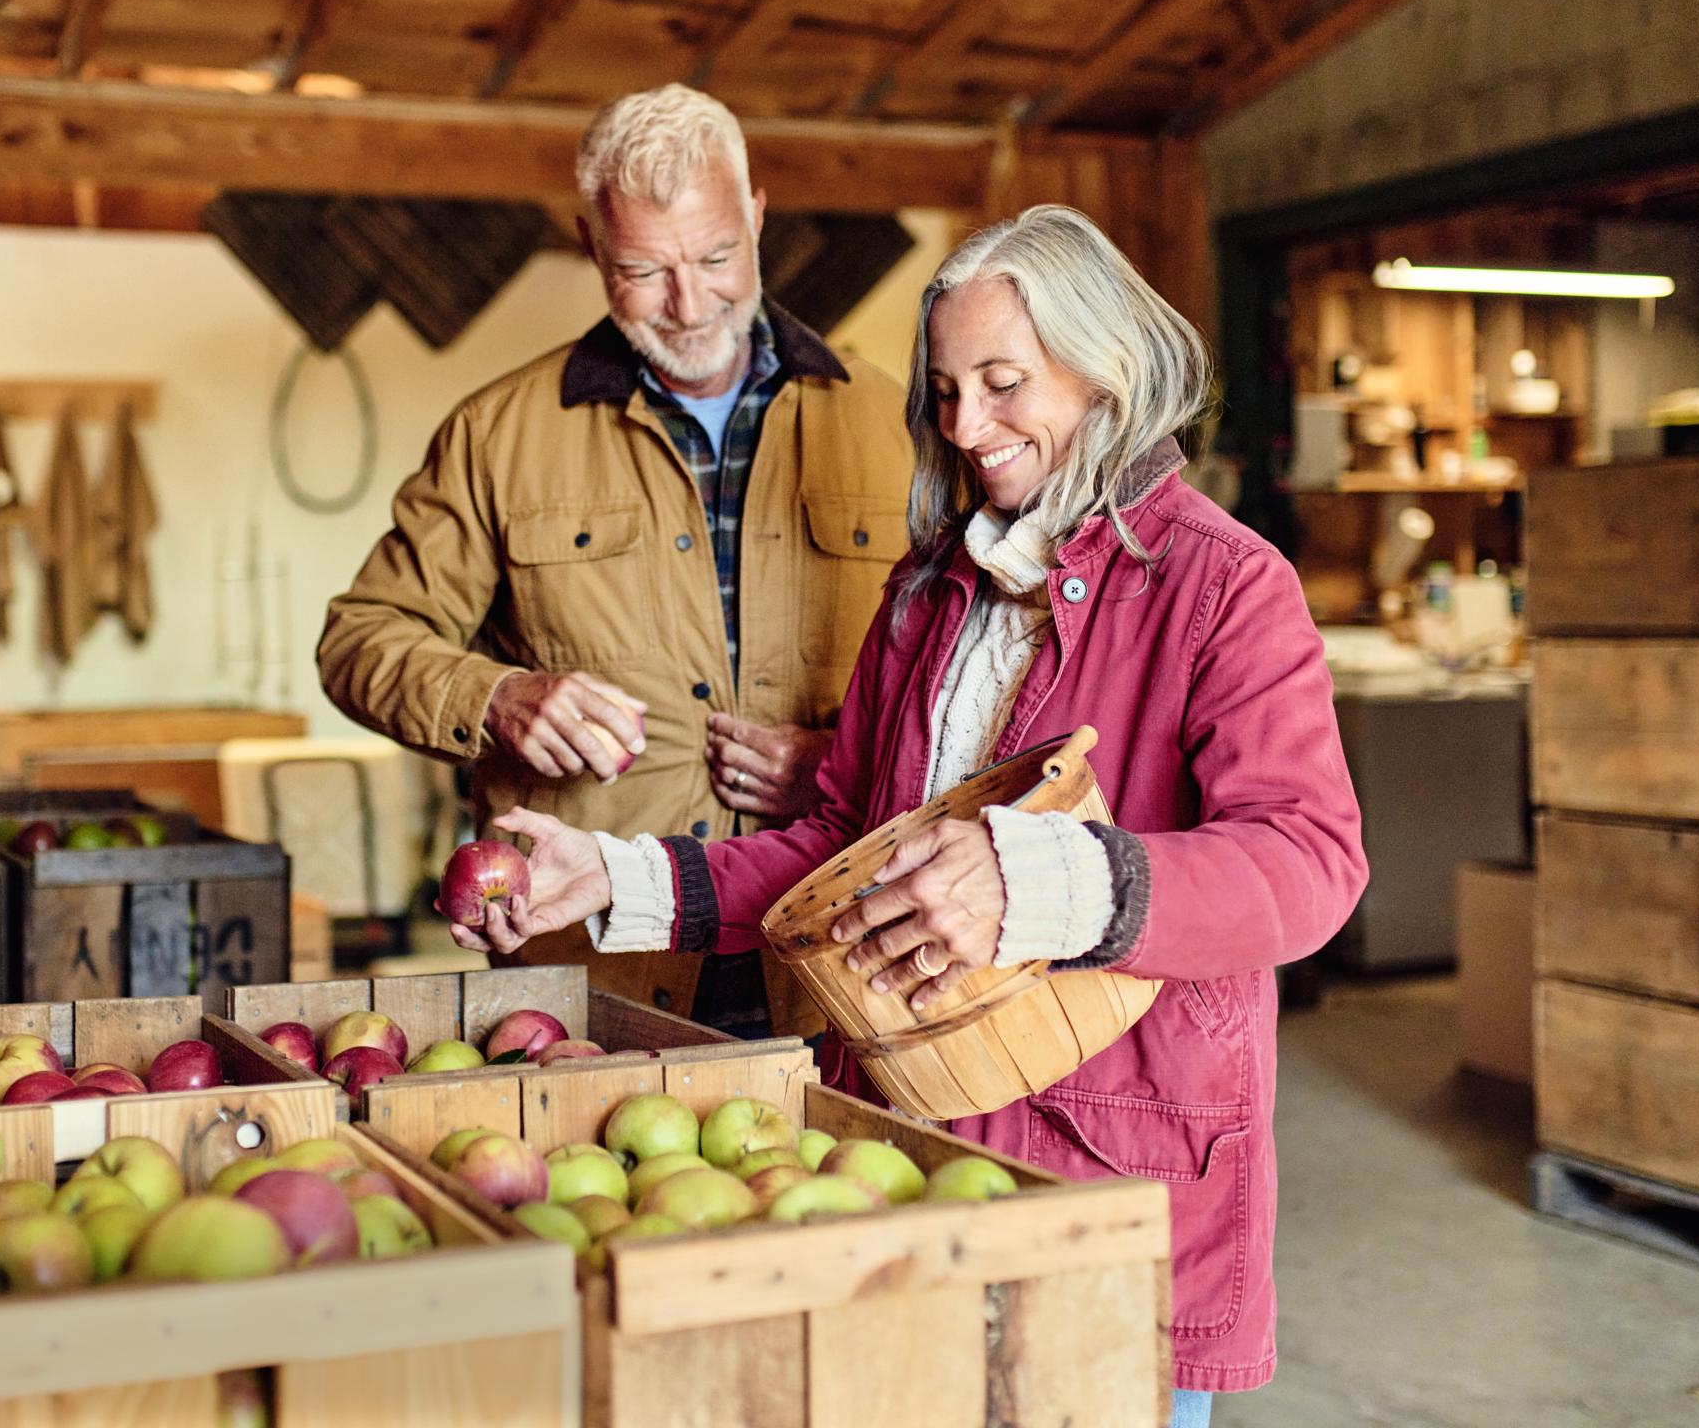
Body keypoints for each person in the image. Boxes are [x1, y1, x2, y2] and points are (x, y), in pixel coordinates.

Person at [449, 204, 1368, 1425]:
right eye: (943, 390)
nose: (964, 427)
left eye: (1003, 383)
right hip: (899, 1135)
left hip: (1109, 1151)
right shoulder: (932, 588)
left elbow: (1307, 863)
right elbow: (838, 844)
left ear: (1107, 370)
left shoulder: (1224, 586)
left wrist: (1039, 879)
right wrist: (615, 879)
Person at [320, 84, 913, 1038]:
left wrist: (854, 772)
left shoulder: (901, 425)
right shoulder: (497, 434)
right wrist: (495, 697)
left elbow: (988, 683)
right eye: (643, 268)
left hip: (841, 961)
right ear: (592, 244)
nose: (688, 304)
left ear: (757, 216)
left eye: (717, 256)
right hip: (591, 973)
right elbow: (359, 641)